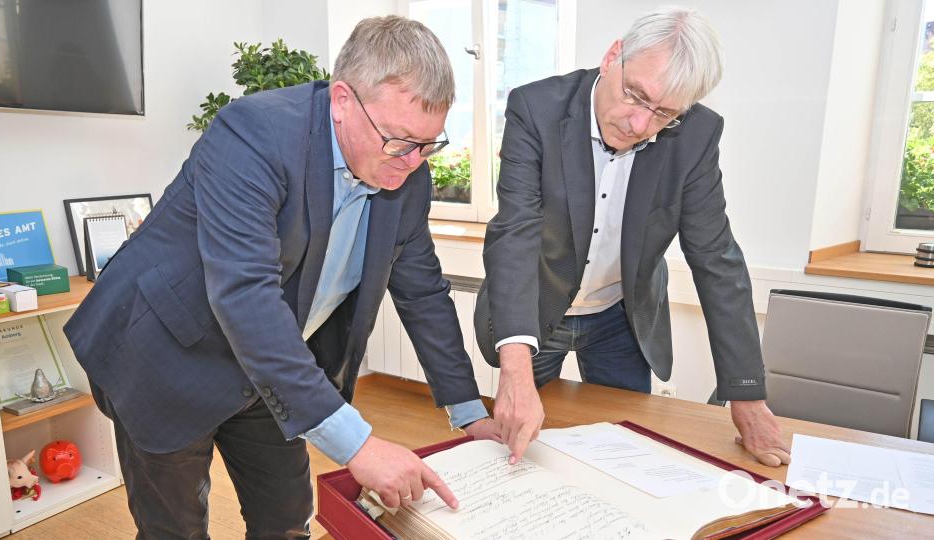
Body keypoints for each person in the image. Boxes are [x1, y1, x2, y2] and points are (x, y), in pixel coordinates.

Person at [65, 16, 501, 539]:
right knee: (175, 529)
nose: (413, 162)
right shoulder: (252, 133)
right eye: (400, 141)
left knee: (287, 518)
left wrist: (469, 411)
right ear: (342, 101)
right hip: (164, 355)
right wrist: (360, 445)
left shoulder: (406, 168)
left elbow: (422, 291)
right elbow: (246, 295)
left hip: (270, 365)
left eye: (429, 144)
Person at [475, 7, 790, 469]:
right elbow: (516, 233)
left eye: (664, 113)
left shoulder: (696, 136)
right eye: (635, 96)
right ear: (612, 56)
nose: (639, 125)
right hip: (537, 311)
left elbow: (715, 256)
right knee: (518, 448)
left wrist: (747, 394)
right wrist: (514, 366)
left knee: (624, 454)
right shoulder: (536, 108)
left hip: (620, 320)